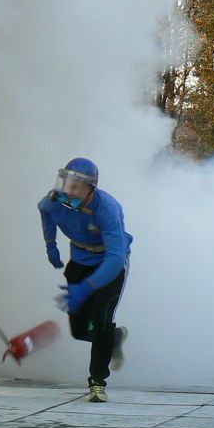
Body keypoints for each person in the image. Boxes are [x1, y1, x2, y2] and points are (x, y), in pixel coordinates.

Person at [37, 157, 131, 404]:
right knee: (79, 330)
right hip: (79, 259)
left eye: (76, 187)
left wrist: (86, 287)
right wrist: (50, 244)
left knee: (101, 321)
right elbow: (44, 209)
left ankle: (97, 382)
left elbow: (115, 257)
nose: (69, 190)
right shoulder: (58, 200)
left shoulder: (107, 209)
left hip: (108, 265)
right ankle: (114, 338)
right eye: (67, 183)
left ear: (91, 188)